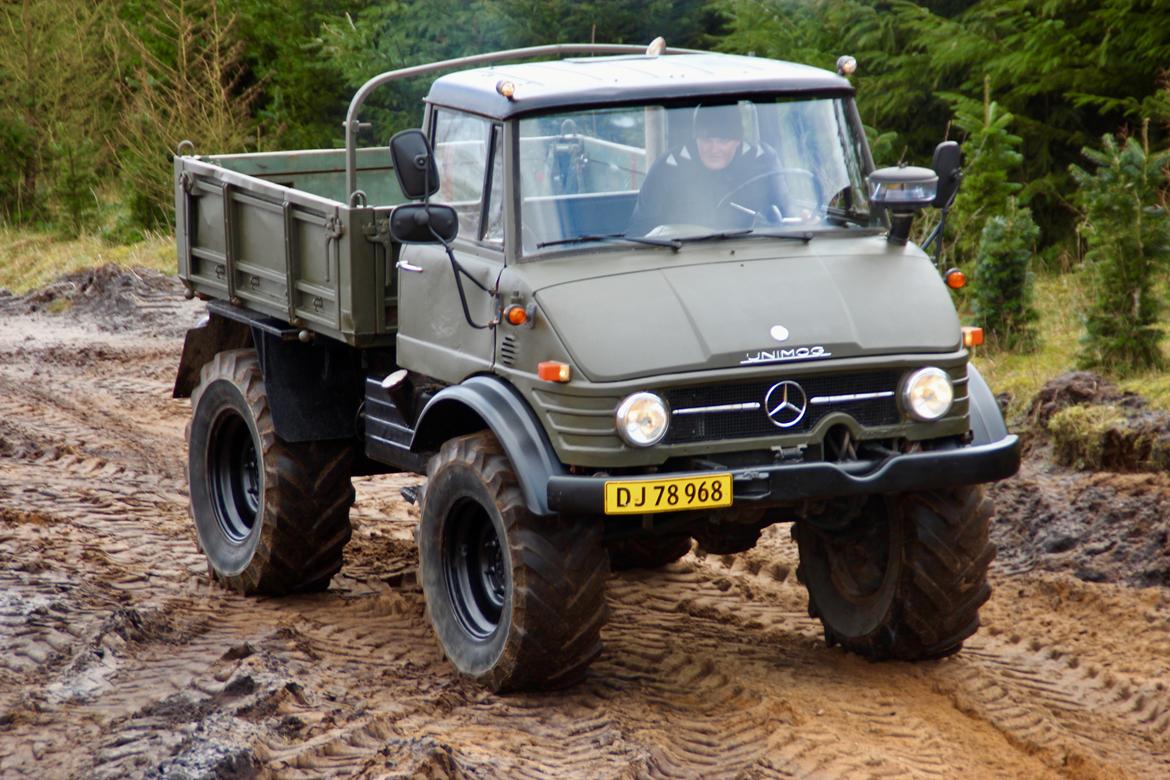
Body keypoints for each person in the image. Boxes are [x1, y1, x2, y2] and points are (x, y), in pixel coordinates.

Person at [626, 103, 788, 236]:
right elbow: (641, 230)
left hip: (753, 254)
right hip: (683, 259)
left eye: (723, 140)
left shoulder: (762, 160)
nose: (714, 149)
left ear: (738, 140)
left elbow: (785, 212)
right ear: (696, 138)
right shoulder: (669, 166)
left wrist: (804, 219)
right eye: (706, 140)